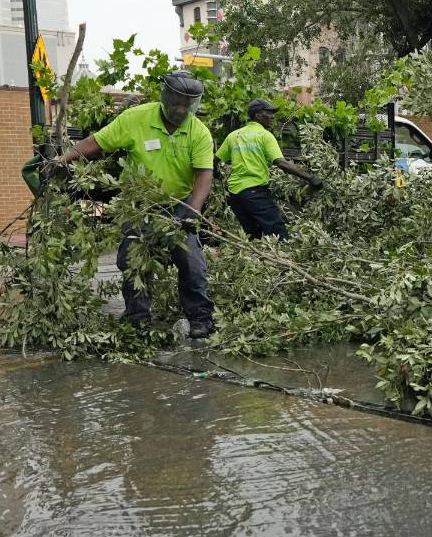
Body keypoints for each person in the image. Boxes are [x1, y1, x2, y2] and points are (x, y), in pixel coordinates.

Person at [46, 72, 216, 338]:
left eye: (187, 105)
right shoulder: (135, 119)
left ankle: (200, 318)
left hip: (180, 204)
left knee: (191, 261)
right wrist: (63, 160)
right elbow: (95, 143)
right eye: (177, 103)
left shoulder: (199, 132)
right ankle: (137, 318)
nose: (181, 110)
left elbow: (204, 175)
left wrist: (192, 211)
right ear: (166, 98)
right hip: (139, 205)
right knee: (133, 260)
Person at [216, 99, 322, 239]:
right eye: (269, 113)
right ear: (258, 115)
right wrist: (311, 178)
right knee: (279, 235)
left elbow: (213, 161)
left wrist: (218, 175)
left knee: (254, 236)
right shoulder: (264, 136)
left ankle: (258, 261)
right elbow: (282, 163)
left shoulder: (233, 136)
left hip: (235, 196)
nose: (272, 117)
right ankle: (285, 259)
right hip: (255, 192)